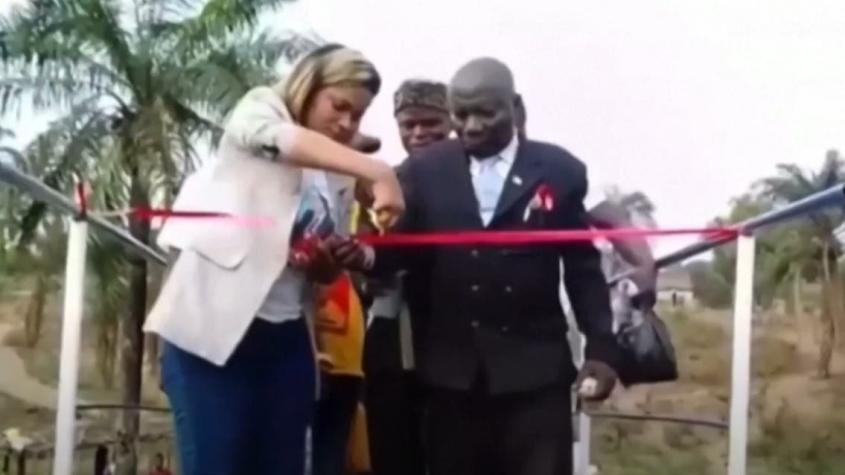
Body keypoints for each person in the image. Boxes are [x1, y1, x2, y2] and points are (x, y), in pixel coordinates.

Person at [334, 57, 619, 475]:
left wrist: (601, 348)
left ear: (516, 108)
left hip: (535, 374)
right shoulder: (423, 171)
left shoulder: (558, 171)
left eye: (486, 112)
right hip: (452, 377)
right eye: (461, 114)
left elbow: (582, 266)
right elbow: (397, 247)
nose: (470, 126)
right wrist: (366, 255)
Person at [144, 44, 403, 475]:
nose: (346, 123)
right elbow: (286, 141)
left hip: (286, 343)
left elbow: (323, 276)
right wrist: (378, 170)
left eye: (357, 116)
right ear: (309, 85)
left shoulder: (335, 171)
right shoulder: (259, 111)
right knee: (217, 465)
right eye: (338, 106)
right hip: (212, 338)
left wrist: (330, 260)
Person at [362, 79, 451, 475]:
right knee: (392, 447)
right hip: (389, 335)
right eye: (408, 124)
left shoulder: (468, 182)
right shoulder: (382, 182)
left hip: (453, 338)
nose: (418, 133)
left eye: (430, 122)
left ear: (450, 121)